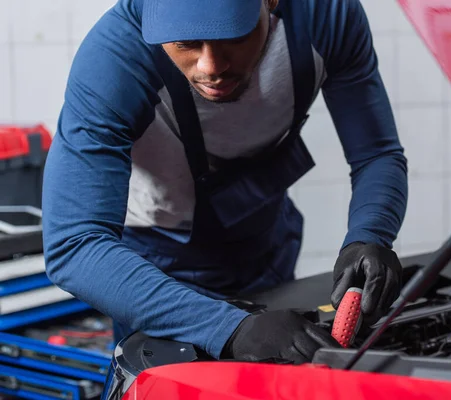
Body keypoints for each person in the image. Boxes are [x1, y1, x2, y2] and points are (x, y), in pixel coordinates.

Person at [42, 0, 408, 364]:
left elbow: (376, 154)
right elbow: (75, 244)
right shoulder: (113, 62)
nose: (211, 67)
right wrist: (230, 328)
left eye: (234, 35)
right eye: (186, 44)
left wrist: (370, 234)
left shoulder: (326, 16)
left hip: (264, 238)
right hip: (152, 270)